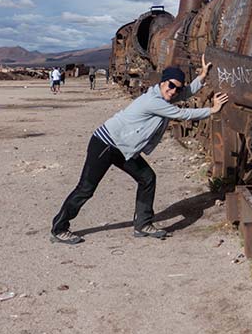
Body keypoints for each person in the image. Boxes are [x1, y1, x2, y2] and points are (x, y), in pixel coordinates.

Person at [50, 55, 229, 244]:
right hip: (105, 144)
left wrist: (202, 76)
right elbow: (182, 113)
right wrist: (212, 110)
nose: (173, 91)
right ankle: (59, 228)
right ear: (162, 82)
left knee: (147, 178)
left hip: (123, 148)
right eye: (170, 85)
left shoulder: (165, 96)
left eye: (177, 88)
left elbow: (186, 93)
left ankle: (143, 224)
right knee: (86, 188)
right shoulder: (153, 101)